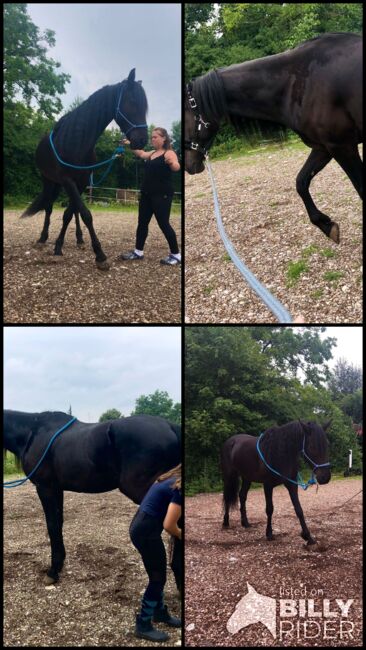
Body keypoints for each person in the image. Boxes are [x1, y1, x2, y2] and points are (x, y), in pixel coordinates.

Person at [129, 464, 182, 642]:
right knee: (157, 578)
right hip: (146, 533)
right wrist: (183, 535)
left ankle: (159, 612)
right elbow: (169, 525)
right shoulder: (179, 487)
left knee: (157, 573)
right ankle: (143, 624)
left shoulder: (169, 476)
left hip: (140, 525)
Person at [120, 128, 181, 265]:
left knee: (164, 224)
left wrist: (172, 164)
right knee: (142, 223)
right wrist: (130, 143)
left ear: (164, 138)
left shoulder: (168, 153)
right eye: (152, 137)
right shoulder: (153, 153)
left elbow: (176, 166)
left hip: (162, 195)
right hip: (147, 194)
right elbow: (141, 153)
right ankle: (138, 252)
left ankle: (176, 255)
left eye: (155, 137)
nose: (152, 139)